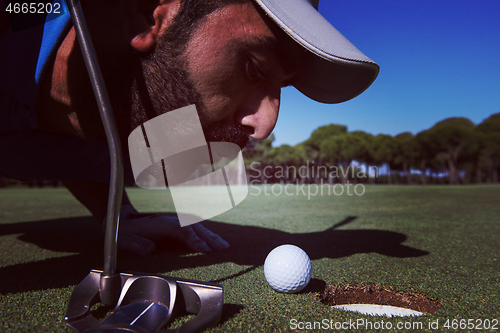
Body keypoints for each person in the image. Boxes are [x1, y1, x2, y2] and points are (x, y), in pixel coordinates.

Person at [0, 0, 379, 255]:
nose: (264, 126)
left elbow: (80, 152)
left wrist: (117, 216)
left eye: (280, 89)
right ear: (146, 11)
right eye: (254, 68)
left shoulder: (134, 133)